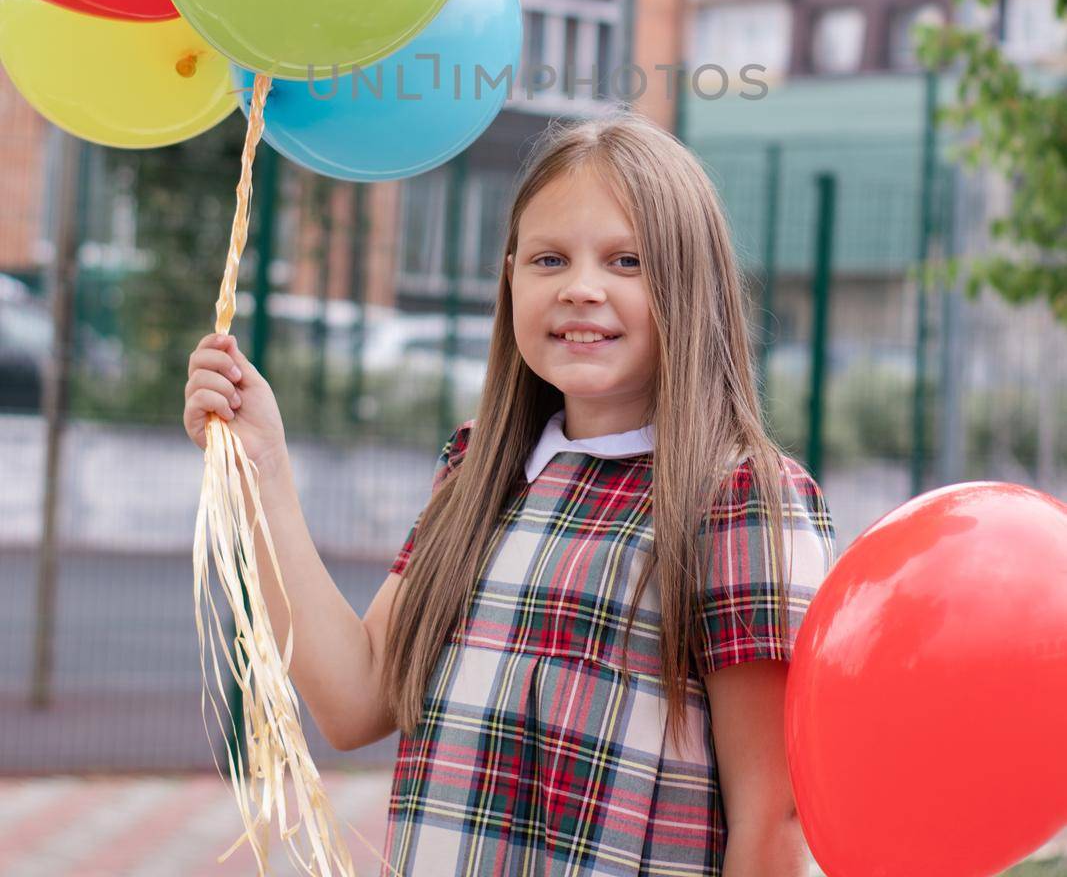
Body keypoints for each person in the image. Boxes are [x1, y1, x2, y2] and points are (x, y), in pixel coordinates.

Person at [184, 109, 836, 875]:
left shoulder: (739, 498)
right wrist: (261, 470)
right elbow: (356, 698)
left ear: (690, 282)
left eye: (626, 261)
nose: (580, 289)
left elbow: (776, 821)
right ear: (509, 275)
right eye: (548, 259)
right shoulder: (481, 466)